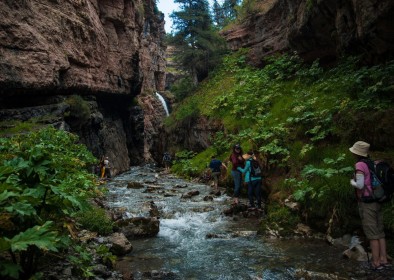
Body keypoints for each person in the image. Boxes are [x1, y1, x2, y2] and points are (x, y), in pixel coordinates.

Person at [349, 141, 390, 270]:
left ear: (356, 153)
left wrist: (352, 182)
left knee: (372, 234)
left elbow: (360, 185)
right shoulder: (371, 163)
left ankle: (376, 262)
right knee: (380, 232)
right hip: (377, 200)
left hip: (367, 203)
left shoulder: (360, 164)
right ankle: (384, 259)